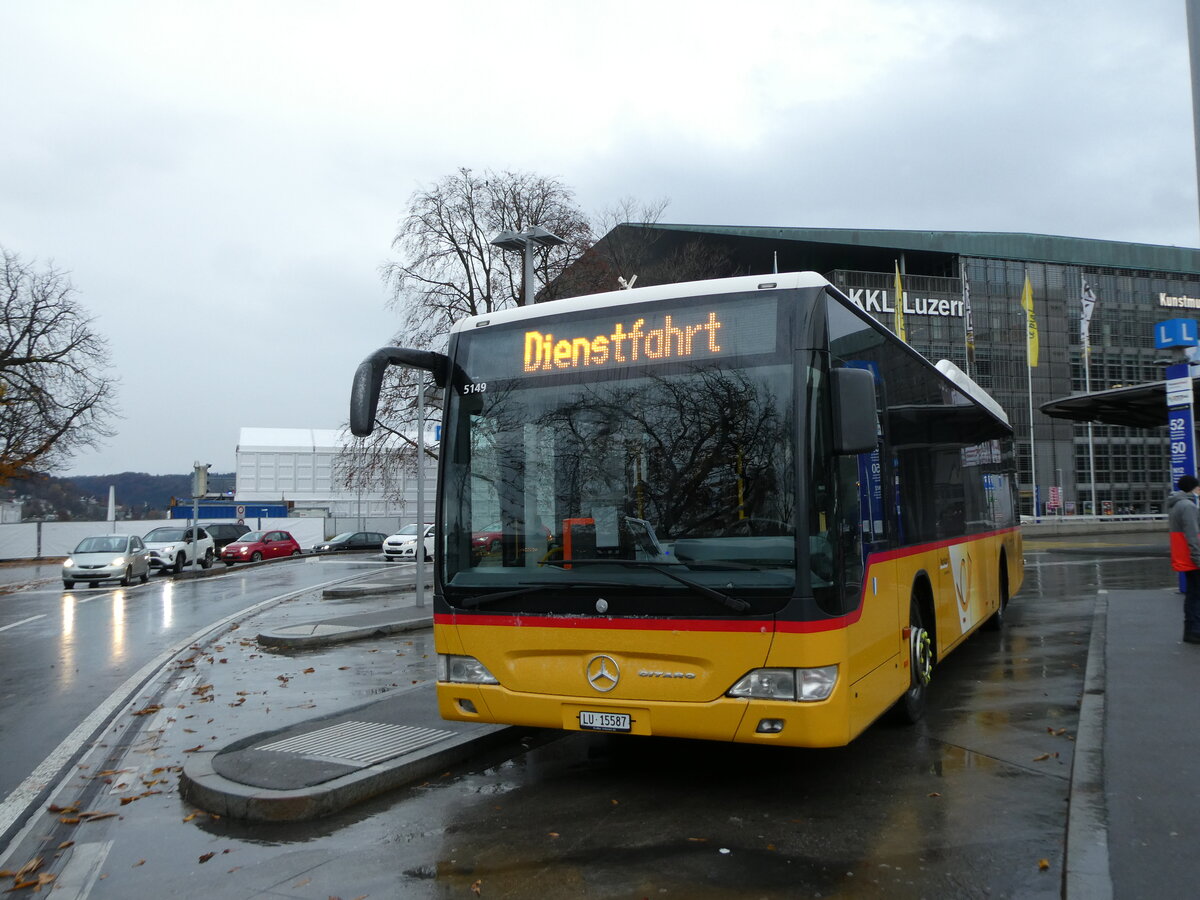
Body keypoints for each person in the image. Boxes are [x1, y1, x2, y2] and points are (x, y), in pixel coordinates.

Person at [1167, 474, 1200, 643]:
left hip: (1183, 557)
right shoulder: (1188, 506)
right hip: (1192, 558)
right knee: (1196, 596)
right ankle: (1194, 631)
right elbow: (1193, 535)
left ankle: (1191, 630)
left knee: (1193, 594)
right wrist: (1198, 558)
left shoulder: (1176, 505)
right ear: (1193, 488)